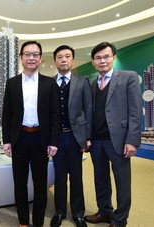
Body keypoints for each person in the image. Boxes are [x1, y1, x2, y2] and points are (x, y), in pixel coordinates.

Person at [2, 40, 60, 227]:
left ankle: (38, 222)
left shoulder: (49, 83)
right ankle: (23, 222)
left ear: (41, 58)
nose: (31, 57)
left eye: (35, 54)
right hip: (18, 139)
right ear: (21, 58)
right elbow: (6, 114)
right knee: (19, 184)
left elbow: (55, 115)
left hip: (40, 140)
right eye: (27, 54)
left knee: (40, 185)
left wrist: (53, 141)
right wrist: (7, 140)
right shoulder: (11, 83)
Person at [84, 42, 142, 227]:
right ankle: (104, 212)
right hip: (97, 141)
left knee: (122, 182)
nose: (102, 61)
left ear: (114, 58)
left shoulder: (128, 77)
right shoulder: (92, 84)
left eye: (106, 56)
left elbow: (135, 111)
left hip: (118, 140)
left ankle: (120, 219)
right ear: (93, 61)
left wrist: (132, 140)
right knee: (100, 179)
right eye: (98, 58)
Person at [50, 45, 92, 227]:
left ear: (72, 60)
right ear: (55, 61)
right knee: (59, 177)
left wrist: (87, 137)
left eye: (67, 56)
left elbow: (88, 110)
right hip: (56, 138)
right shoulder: (49, 83)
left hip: (75, 138)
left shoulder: (82, 82)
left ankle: (78, 214)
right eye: (60, 57)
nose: (64, 59)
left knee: (76, 177)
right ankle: (59, 212)